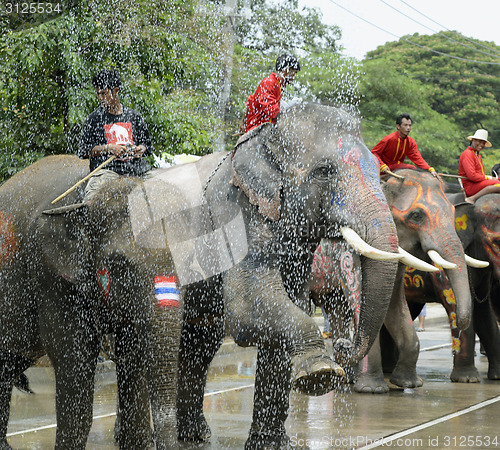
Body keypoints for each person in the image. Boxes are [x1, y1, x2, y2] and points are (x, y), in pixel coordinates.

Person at [77, 69, 154, 201]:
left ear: (116, 91)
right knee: (90, 201)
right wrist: (109, 148)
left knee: (162, 190)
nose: (100, 98)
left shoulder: (134, 116)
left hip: (137, 170)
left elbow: (147, 145)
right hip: (107, 172)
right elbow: (84, 151)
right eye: (98, 94)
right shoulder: (94, 119)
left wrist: (141, 149)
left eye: (104, 93)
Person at [243, 54, 300, 133]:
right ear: (288, 70)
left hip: (266, 128)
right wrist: (288, 109)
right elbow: (272, 111)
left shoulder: (278, 85)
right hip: (257, 129)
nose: (294, 77)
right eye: (294, 72)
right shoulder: (269, 82)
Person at [371, 113, 440, 180]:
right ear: (398, 126)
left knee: (414, 169)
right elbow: (374, 153)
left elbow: (417, 158)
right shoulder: (389, 138)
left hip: (397, 167)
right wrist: (382, 166)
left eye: (410, 125)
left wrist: (430, 169)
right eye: (405, 125)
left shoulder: (410, 142)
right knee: (411, 168)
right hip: (385, 168)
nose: (408, 128)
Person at [458, 129, 500, 203]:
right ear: (473, 140)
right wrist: (489, 178)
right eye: (479, 142)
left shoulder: (478, 155)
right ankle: (472, 199)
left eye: (483, 143)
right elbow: (472, 176)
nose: (481, 145)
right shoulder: (467, 154)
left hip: (477, 184)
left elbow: (480, 175)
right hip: (471, 186)